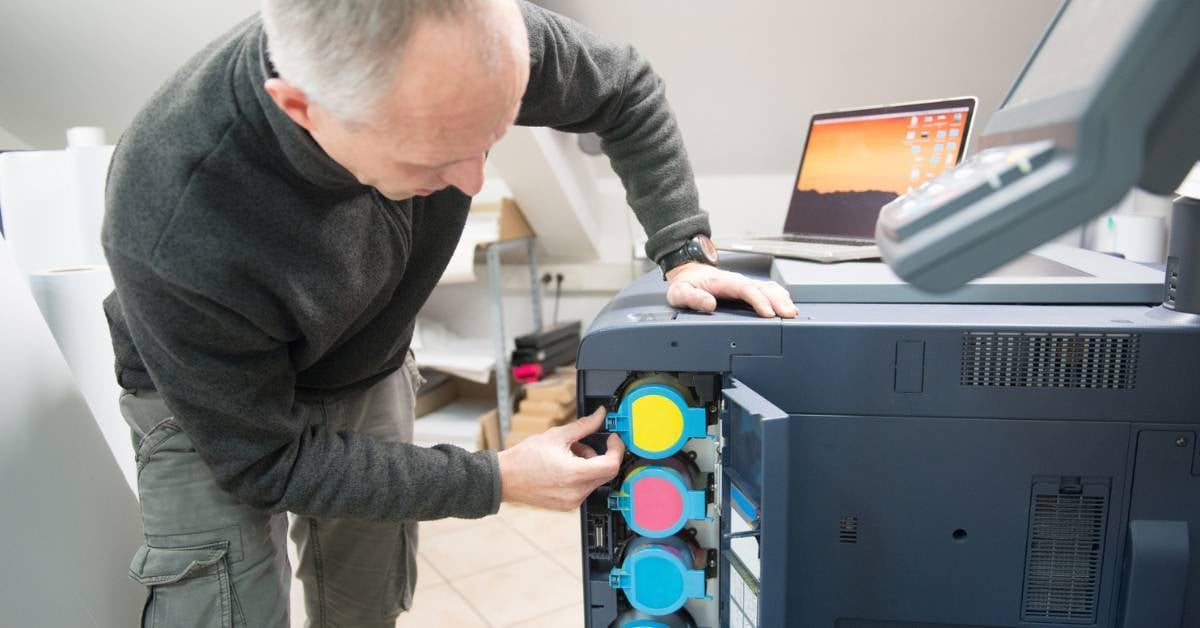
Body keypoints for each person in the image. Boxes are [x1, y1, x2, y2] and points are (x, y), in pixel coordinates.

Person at [102, 0, 796, 625]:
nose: (471, 182)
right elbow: (266, 462)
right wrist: (493, 479)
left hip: (362, 362)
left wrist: (683, 246)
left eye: (490, 140)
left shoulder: (469, 31)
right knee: (229, 607)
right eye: (436, 157)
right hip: (207, 405)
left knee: (365, 603)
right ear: (302, 109)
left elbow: (626, 88)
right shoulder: (169, 211)